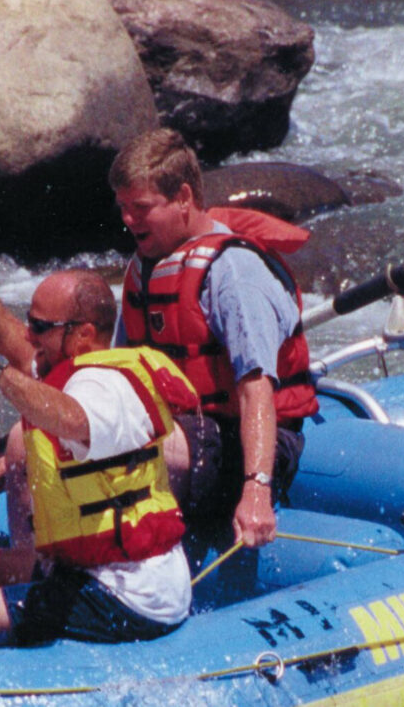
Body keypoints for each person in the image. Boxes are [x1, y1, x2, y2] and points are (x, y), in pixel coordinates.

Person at [0, 269, 195, 646]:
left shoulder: (108, 388)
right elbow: (17, 349)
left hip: (131, 593)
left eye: (40, 325)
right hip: (84, 565)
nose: (28, 334)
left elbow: (70, 417)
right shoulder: (67, 364)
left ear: (83, 334)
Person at [108, 128, 317, 550]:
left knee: (122, 445)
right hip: (187, 428)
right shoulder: (147, 267)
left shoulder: (233, 272)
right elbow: (116, 371)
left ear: (184, 197)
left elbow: (255, 388)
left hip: (253, 443)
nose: (128, 220)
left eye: (141, 207)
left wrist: (256, 491)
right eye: (123, 207)